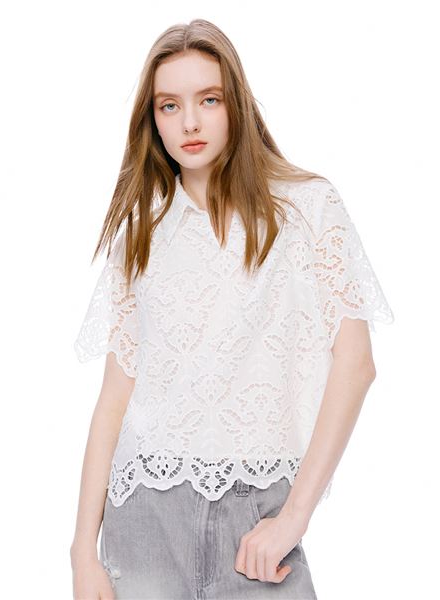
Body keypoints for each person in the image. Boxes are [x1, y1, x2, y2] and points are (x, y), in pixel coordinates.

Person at [70, 18, 394, 600]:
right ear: (153, 120)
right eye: (170, 105)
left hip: (257, 519)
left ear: (235, 104)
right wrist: (81, 553)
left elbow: (357, 364)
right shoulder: (143, 235)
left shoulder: (306, 208)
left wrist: (293, 518)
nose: (189, 122)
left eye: (209, 99)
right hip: (143, 520)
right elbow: (115, 397)